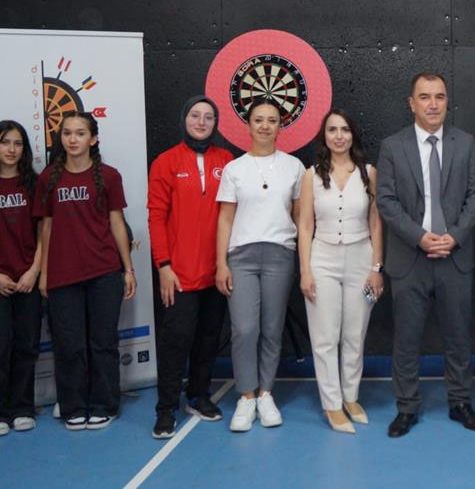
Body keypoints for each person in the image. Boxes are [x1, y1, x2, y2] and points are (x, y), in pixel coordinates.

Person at [376, 72, 475, 438]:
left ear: (447, 101)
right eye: (425, 97)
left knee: (458, 337)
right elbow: (386, 201)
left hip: (455, 256)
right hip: (410, 258)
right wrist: (420, 237)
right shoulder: (393, 146)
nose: (433, 104)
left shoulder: (465, 143)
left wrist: (454, 236)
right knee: (406, 340)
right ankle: (406, 407)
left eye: (439, 96)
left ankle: (460, 402)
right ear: (412, 103)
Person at [34, 112, 136, 430]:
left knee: (103, 343)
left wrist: (128, 269)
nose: (73, 139)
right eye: (67, 133)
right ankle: (73, 406)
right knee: (69, 345)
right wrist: (44, 273)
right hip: (63, 275)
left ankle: (105, 404)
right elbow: (46, 227)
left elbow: (117, 222)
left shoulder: (109, 176)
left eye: (80, 133)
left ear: (93, 139)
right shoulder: (48, 178)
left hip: (104, 272)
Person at [215, 97, 304, 433]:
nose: (265, 126)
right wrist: (221, 263)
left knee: (271, 328)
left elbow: (301, 219)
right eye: (258, 120)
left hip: (280, 254)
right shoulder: (234, 169)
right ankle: (246, 396)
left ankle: (266, 393)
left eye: (272, 120)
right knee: (244, 329)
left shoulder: (294, 167)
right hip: (241, 257)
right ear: (248, 125)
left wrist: (303, 260)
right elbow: (225, 219)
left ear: (281, 127)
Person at [147, 96, 232, 438]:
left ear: (215, 123)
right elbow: (156, 217)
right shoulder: (166, 162)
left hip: (216, 270)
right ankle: (166, 408)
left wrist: (225, 264)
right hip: (179, 273)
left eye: (208, 117)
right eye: (195, 115)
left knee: (209, 337)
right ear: (184, 119)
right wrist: (163, 265)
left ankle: (198, 395)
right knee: (175, 341)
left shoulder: (226, 160)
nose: (201, 122)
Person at [297, 109, 384, 434]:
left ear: (353, 135)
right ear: (324, 136)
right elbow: (305, 226)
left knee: (354, 333)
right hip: (322, 259)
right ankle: (332, 403)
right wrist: (305, 271)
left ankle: (351, 396)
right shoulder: (311, 175)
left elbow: (376, 223)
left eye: (344, 129)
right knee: (325, 336)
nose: (338, 136)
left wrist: (377, 268)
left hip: (361, 258)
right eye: (332, 130)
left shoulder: (369, 173)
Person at [0, 121, 42, 435]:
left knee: (27, 346)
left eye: (17, 143)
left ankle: (22, 408)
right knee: (2, 346)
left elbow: (45, 233)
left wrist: (34, 271)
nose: (11, 149)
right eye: (5, 142)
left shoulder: (33, 184)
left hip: (28, 278)